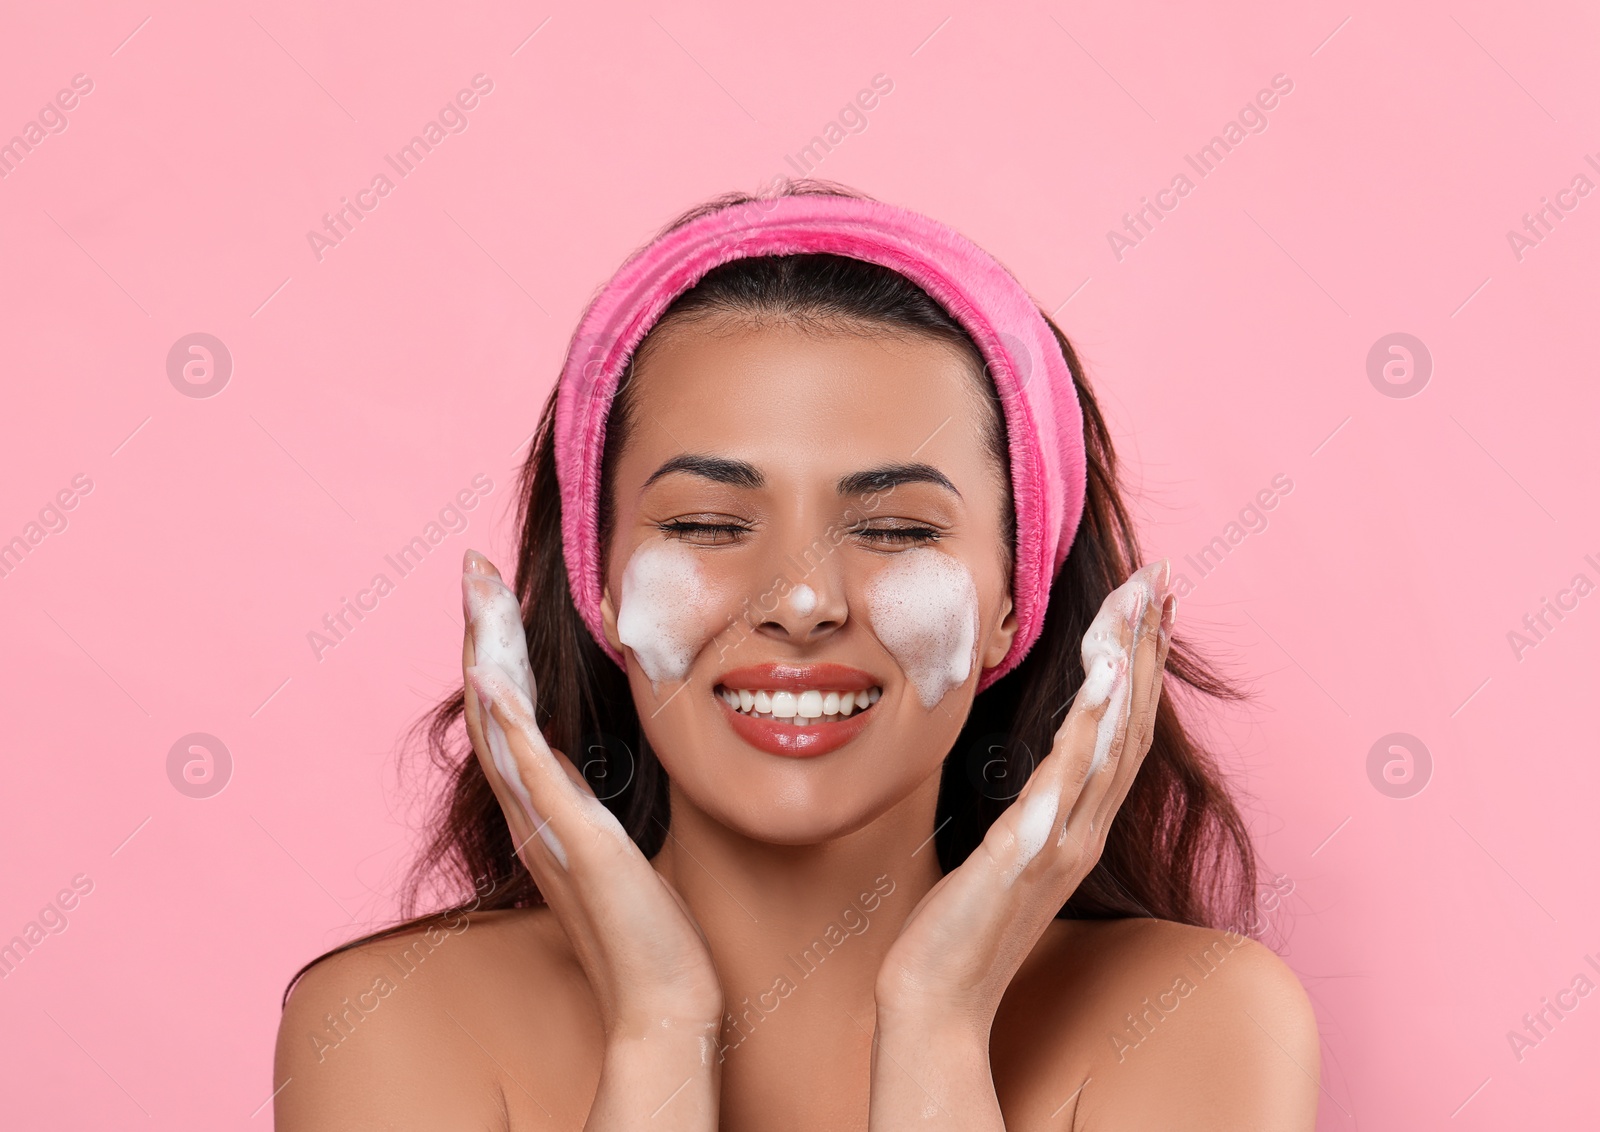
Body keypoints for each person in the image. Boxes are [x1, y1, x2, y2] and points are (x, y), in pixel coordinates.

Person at [273, 181, 1319, 1129]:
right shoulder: (390, 1026)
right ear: (599, 580)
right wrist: (658, 1029)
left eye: (899, 530)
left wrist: (937, 1025)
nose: (803, 600)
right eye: (709, 524)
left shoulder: (1197, 1021)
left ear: (1013, 602)